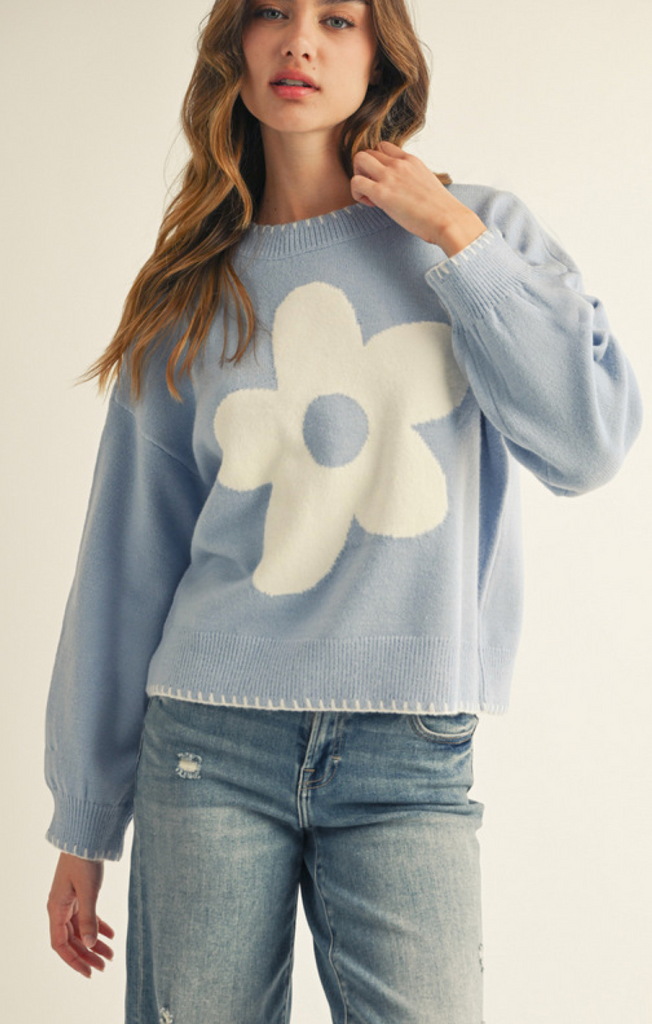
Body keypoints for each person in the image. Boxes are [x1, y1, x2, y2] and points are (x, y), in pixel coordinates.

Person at [44, 1, 642, 1022]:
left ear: (382, 56)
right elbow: (125, 560)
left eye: (338, 18)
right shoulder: (191, 289)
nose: (300, 42)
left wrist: (452, 235)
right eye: (271, 12)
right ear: (234, 47)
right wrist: (85, 819)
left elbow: (586, 444)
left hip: (409, 749)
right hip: (207, 742)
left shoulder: (478, 231)